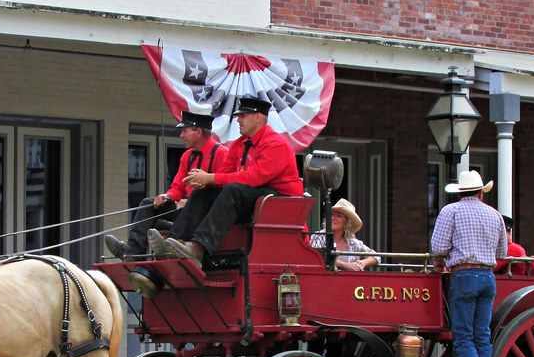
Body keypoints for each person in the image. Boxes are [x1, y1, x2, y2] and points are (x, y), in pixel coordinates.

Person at [150, 96, 302, 267]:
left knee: (233, 190)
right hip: (252, 199)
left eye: (243, 116)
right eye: (239, 116)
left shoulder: (275, 143)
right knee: (203, 194)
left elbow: (255, 177)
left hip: (277, 202)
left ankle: (199, 247)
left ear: (258, 117)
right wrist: (204, 182)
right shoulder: (239, 144)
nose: (238, 120)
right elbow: (224, 175)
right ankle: (173, 242)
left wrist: (211, 177)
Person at [430, 171, 507, 357]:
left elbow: (439, 247)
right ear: (481, 192)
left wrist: (442, 260)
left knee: (462, 336)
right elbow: (502, 252)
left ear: (459, 192)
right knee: (481, 336)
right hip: (488, 277)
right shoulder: (494, 214)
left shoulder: (451, 212)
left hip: (463, 276)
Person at [105, 111, 228, 261]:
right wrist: (167, 196)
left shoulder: (222, 154)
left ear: (198, 132)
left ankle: (168, 247)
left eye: (184, 130)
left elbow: (223, 192)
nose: (181, 135)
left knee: (196, 197)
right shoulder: (187, 156)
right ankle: (133, 251)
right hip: (183, 210)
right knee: (148, 204)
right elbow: (177, 187)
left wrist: (189, 202)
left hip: (203, 215)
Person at [309, 198, 380, 271]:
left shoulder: (353, 243)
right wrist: (346, 265)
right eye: (331, 214)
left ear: (347, 222)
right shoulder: (318, 237)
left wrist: (362, 262)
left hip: (348, 282)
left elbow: (376, 256)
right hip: (322, 280)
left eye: (339, 216)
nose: (333, 218)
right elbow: (318, 257)